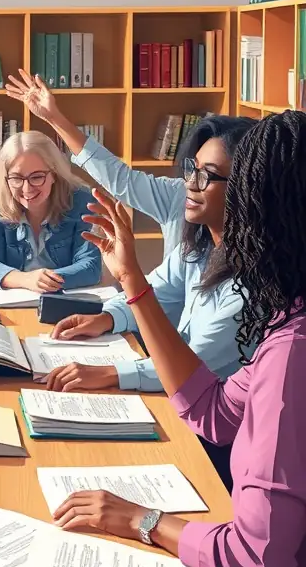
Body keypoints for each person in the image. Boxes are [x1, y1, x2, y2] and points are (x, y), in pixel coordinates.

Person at [51, 111, 306, 567]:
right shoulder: (285, 318)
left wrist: (140, 519)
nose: (191, 189)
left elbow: (253, 563)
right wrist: (130, 282)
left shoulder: (290, 351)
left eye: (221, 182)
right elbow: (213, 412)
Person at [46, 115, 257, 396]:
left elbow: (192, 369)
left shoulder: (255, 282)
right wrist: (107, 318)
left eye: (207, 174)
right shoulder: (200, 244)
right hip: (181, 397)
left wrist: (111, 373)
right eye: (191, 169)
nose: (191, 184)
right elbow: (159, 291)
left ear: (246, 186)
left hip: (215, 421)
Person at [5, 69, 186, 257]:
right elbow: (120, 179)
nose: (197, 183)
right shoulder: (177, 194)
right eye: (194, 170)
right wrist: (53, 117)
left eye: (211, 173)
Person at [0, 129, 101, 291]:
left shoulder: (82, 200)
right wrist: (25, 279)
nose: (27, 189)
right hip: (14, 302)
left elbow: (91, 267)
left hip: (66, 300)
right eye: (17, 178)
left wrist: (45, 281)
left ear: (54, 174)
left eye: (37, 177)